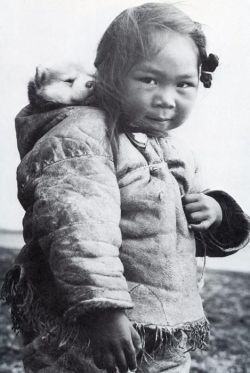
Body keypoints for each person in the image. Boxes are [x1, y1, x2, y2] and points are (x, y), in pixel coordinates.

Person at [1, 2, 250, 372]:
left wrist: (214, 213)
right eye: (149, 80)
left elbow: (180, 227)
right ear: (109, 76)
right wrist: (102, 310)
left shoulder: (174, 148)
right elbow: (78, 229)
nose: (167, 98)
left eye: (184, 84)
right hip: (87, 325)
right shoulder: (83, 136)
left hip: (163, 321)